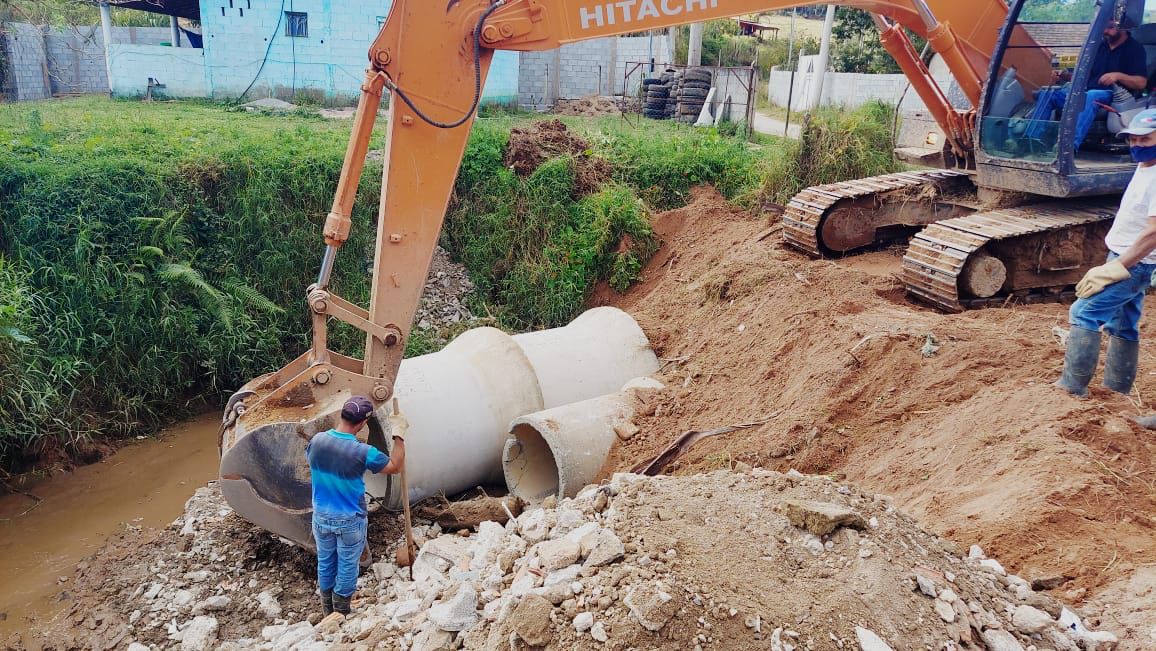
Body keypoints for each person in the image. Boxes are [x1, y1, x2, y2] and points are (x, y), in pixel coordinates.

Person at [1056, 108, 1156, 398]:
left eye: (1145, 139)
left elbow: (1152, 233)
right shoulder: (1145, 165)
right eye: (1132, 140)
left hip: (1134, 263)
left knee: (1083, 312)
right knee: (1123, 325)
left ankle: (1072, 388)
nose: (1137, 146)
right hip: (1127, 258)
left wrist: (1119, 267)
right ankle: (1117, 393)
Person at [307, 395, 406, 615]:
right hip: (349, 519)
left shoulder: (317, 441)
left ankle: (327, 612)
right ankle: (340, 613)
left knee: (325, 561)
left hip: (321, 516)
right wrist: (399, 436)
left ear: (342, 415)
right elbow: (395, 466)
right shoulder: (362, 451)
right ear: (362, 423)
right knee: (347, 564)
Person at [1029, 15, 1148, 150]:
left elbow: (1141, 83)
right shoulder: (1097, 47)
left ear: (1123, 27)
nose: (1105, 31)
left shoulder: (1135, 49)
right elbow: (1082, 76)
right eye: (1103, 27)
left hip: (1115, 96)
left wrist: (1119, 76)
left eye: (1110, 27)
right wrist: (1064, 75)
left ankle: (1067, 147)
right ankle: (1030, 140)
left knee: (1092, 96)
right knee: (1049, 93)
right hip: (1085, 92)